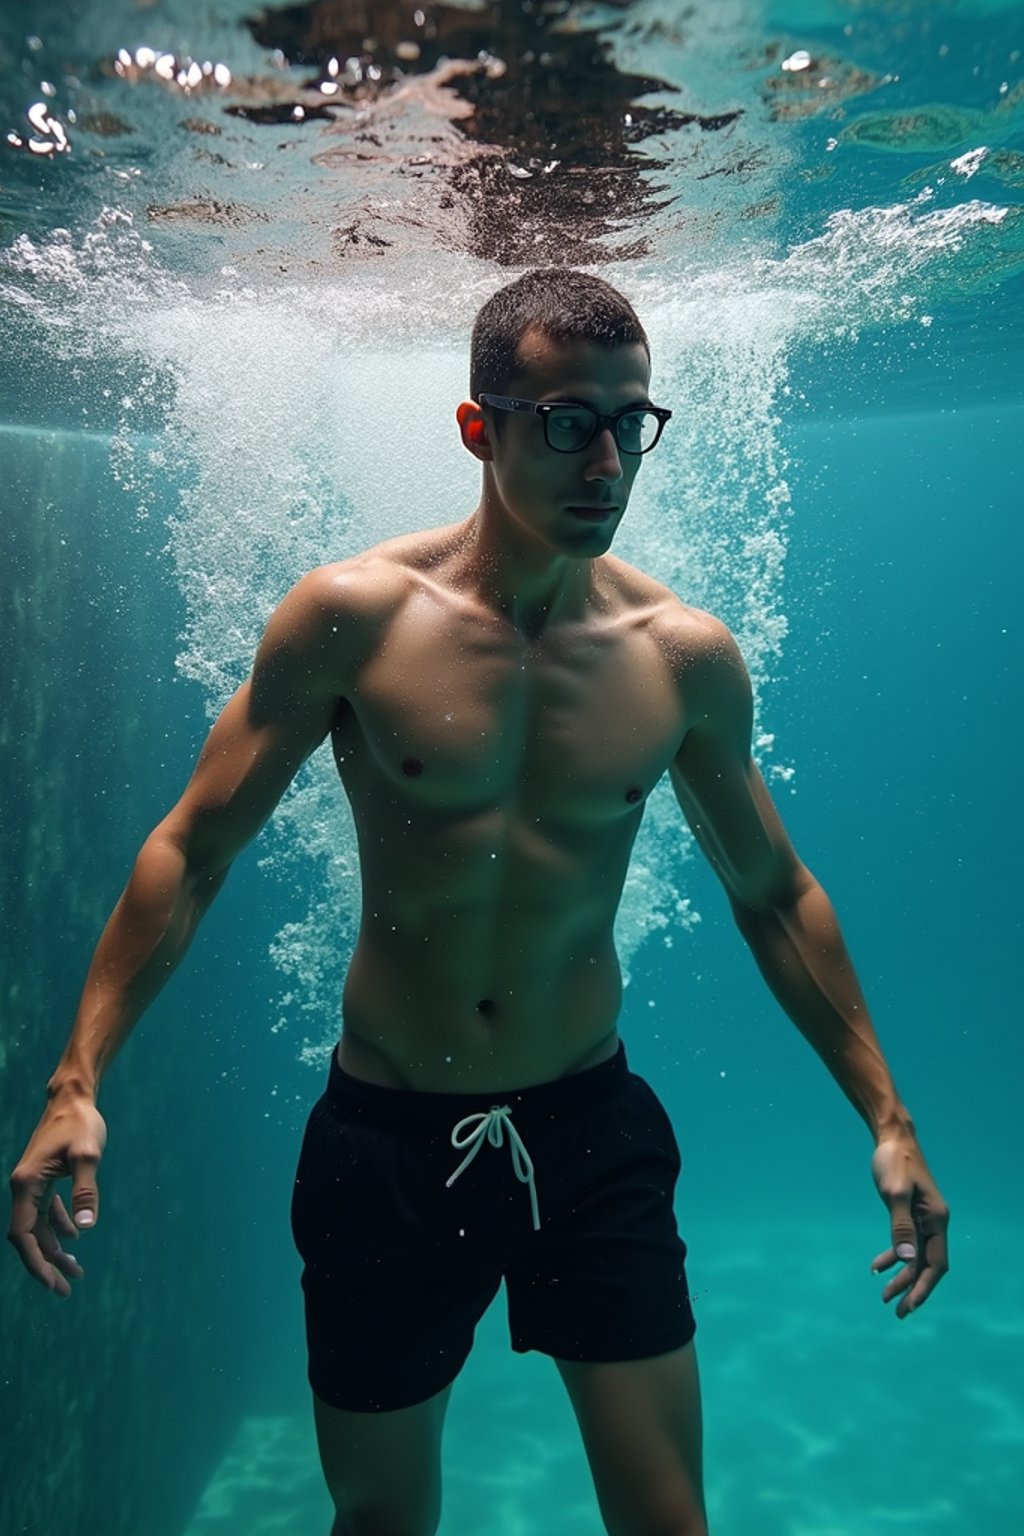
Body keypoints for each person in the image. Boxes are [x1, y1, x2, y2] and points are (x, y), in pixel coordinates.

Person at [8, 269, 949, 1536]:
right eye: (568, 420)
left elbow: (775, 894)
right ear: (478, 427)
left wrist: (885, 1115)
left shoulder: (683, 657)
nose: (606, 459)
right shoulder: (351, 619)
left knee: (669, 1523)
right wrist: (78, 1079)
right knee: (385, 1522)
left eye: (631, 422)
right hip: (386, 1148)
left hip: (588, 1131)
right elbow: (192, 849)